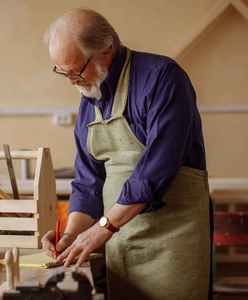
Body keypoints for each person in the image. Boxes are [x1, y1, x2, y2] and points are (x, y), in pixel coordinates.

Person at [41, 7, 212, 300]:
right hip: (120, 243)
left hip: (172, 244)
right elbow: (88, 183)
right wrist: (72, 234)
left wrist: (101, 229)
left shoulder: (162, 78)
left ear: (106, 51)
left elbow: (154, 172)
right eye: (62, 72)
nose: (71, 82)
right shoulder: (88, 98)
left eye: (75, 71)